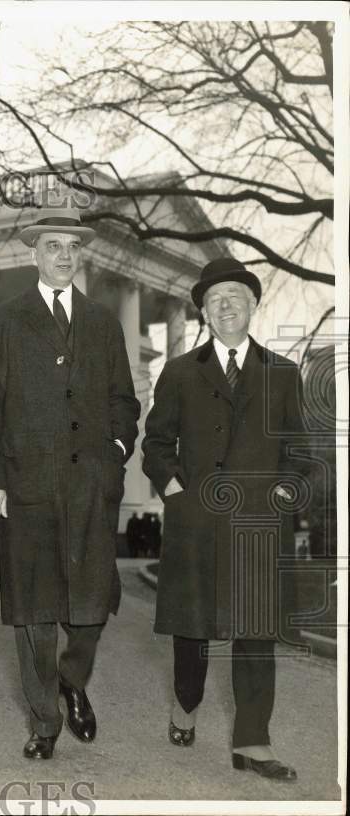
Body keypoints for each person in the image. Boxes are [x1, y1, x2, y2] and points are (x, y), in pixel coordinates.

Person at [0, 207, 140, 760]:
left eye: (71, 246)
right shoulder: (4, 322)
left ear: (78, 254)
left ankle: (72, 679)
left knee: (91, 606)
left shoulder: (104, 323)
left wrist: (115, 452)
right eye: (52, 246)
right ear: (34, 253)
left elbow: (123, 403)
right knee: (34, 610)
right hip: (26, 485)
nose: (63, 255)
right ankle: (44, 721)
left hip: (91, 486)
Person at [142, 258, 305, 781]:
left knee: (255, 633)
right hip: (196, 521)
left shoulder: (282, 373)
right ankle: (185, 702)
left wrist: (284, 491)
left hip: (258, 523)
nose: (226, 305)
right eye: (216, 299)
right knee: (193, 630)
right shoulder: (179, 371)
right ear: (204, 313)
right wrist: (173, 488)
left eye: (236, 295)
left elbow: (299, 452)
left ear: (254, 306)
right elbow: (156, 442)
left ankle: (253, 741)